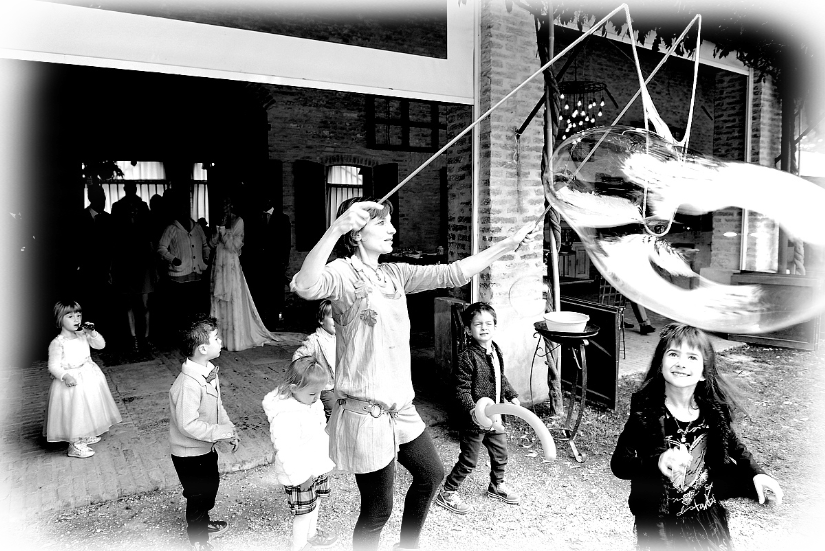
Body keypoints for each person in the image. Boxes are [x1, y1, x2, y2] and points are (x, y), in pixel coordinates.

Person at [290, 196, 535, 551]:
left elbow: (455, 271)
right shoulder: (343, 273)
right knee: (378, 509)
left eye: (391, 222)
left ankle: (408, 547)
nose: (392, 229)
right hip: (367, 414)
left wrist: (508, 245)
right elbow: (305, 285)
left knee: (431, 474)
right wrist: (336, 226)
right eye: (381, 223)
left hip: (401, 409)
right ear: (357, 234)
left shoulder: (395, 274)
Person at [611, 323, 783, 551]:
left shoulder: (712, 412)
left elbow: (734, 445)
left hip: (706, 515)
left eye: (692, 357)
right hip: (661, 523)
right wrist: (657, 462)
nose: (681, 363)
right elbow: (620, 464)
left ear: (704, 372)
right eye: (673, 354)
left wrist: (756, 473)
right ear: (660, 363)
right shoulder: (646, 414)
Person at [435, 301, 521, 514]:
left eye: (489, 323)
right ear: (468, 329)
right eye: (478, 324)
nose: (484, 328)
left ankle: (496, 485)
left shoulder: (496, 350)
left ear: (495, 326)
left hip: (496, 417)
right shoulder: (467, 356)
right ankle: (448, 492)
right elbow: (461, 389)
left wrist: (511, 394)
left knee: (501, 453)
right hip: (475, 420)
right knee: (469, 460)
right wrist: (473, 410)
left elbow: (499, 377)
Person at [169, 314, 239, 551]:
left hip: (205, 447)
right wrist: (220, 432)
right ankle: (198, 540)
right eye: (216, 338)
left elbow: (218, 405)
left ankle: (204, 522)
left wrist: (229, 429)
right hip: (188, 454)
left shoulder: (208, 371)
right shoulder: (187, 384)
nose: (221, 341)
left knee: (211, 487)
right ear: (202, 348)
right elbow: (187, 424)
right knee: (197, 497)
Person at [262, 356, 338, 551]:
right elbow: (286, 450)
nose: (317, 398)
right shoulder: (286, 416)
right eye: (313, 393)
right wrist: (301, 476)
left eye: (319, 393)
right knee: (303, 512)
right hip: (299, 472)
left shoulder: (309, 401)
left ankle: (311, 535)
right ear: (294, 388)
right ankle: (299, 546)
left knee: (315, 503)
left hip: (316, 465)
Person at [43, 300, 122, 458]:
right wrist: (65, 376)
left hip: (89, 376)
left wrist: (92, 333)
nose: (76, 319)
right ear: (59, 319)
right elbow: (53, 366)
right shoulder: (57, 343)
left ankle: (85, 433)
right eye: (70, 316)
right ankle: (75, 444)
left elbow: (100, 345)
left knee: (89, 406)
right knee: (76, 410)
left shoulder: (83, 334)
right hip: (72, 381)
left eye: (78, 315)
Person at [209, 195, 279, 351]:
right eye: (222, 205)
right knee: (218, 300)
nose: (224, 208)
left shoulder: (238, 221)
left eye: (226, 204)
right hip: (218, 266)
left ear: (231, 206)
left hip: (231, 265)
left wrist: (223, 232)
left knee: (232, 298)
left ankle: (234, 339)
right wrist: (216, 231)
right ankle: (220, 339)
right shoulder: (218, 220)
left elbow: (234, 246)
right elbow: (211, 243)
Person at [158, 189, 212, 337]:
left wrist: (205, 258)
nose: (183, 210)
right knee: (180, 306)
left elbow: (206, 246)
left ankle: (194, 334)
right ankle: (181, 335)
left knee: (195, 305)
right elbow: (161, 248)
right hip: (179, 274)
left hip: (196, 273)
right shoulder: (171, 228)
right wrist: (172, 259)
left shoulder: (197, 227)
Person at [111, 181, 156, 351]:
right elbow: (115, 238)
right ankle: (134, 338)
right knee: (130, 303)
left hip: (142, 260)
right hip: (126, 261)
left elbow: (150, 237)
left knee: (143, 303)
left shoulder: (143, 207)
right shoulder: (118, 207)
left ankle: (143, 337)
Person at [291, 300, 336, 419]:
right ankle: (328, 430)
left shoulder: (339, 339)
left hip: (339, 384)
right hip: (324, 387)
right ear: (321, 320)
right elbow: (299, 356)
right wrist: (307, 374)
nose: (337, 320)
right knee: (332, 407)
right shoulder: (315, 340)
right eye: (332, 317)